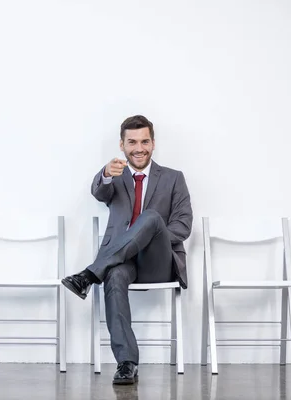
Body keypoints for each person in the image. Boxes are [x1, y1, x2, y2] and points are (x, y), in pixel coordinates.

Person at [61, 115, 192, 385]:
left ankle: (88, 275)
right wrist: (106, 174)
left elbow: (183, 225)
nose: (139, 148)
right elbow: (98, 192)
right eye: (132, 142)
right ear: (122, 145)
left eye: (144, 141)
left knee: (152, 217)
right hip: (122, 264)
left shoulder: (173, 178)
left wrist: (150, 233)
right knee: (115, 275)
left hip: (158, 261)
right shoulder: (116, 177)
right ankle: (126, 363)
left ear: (153, 144)